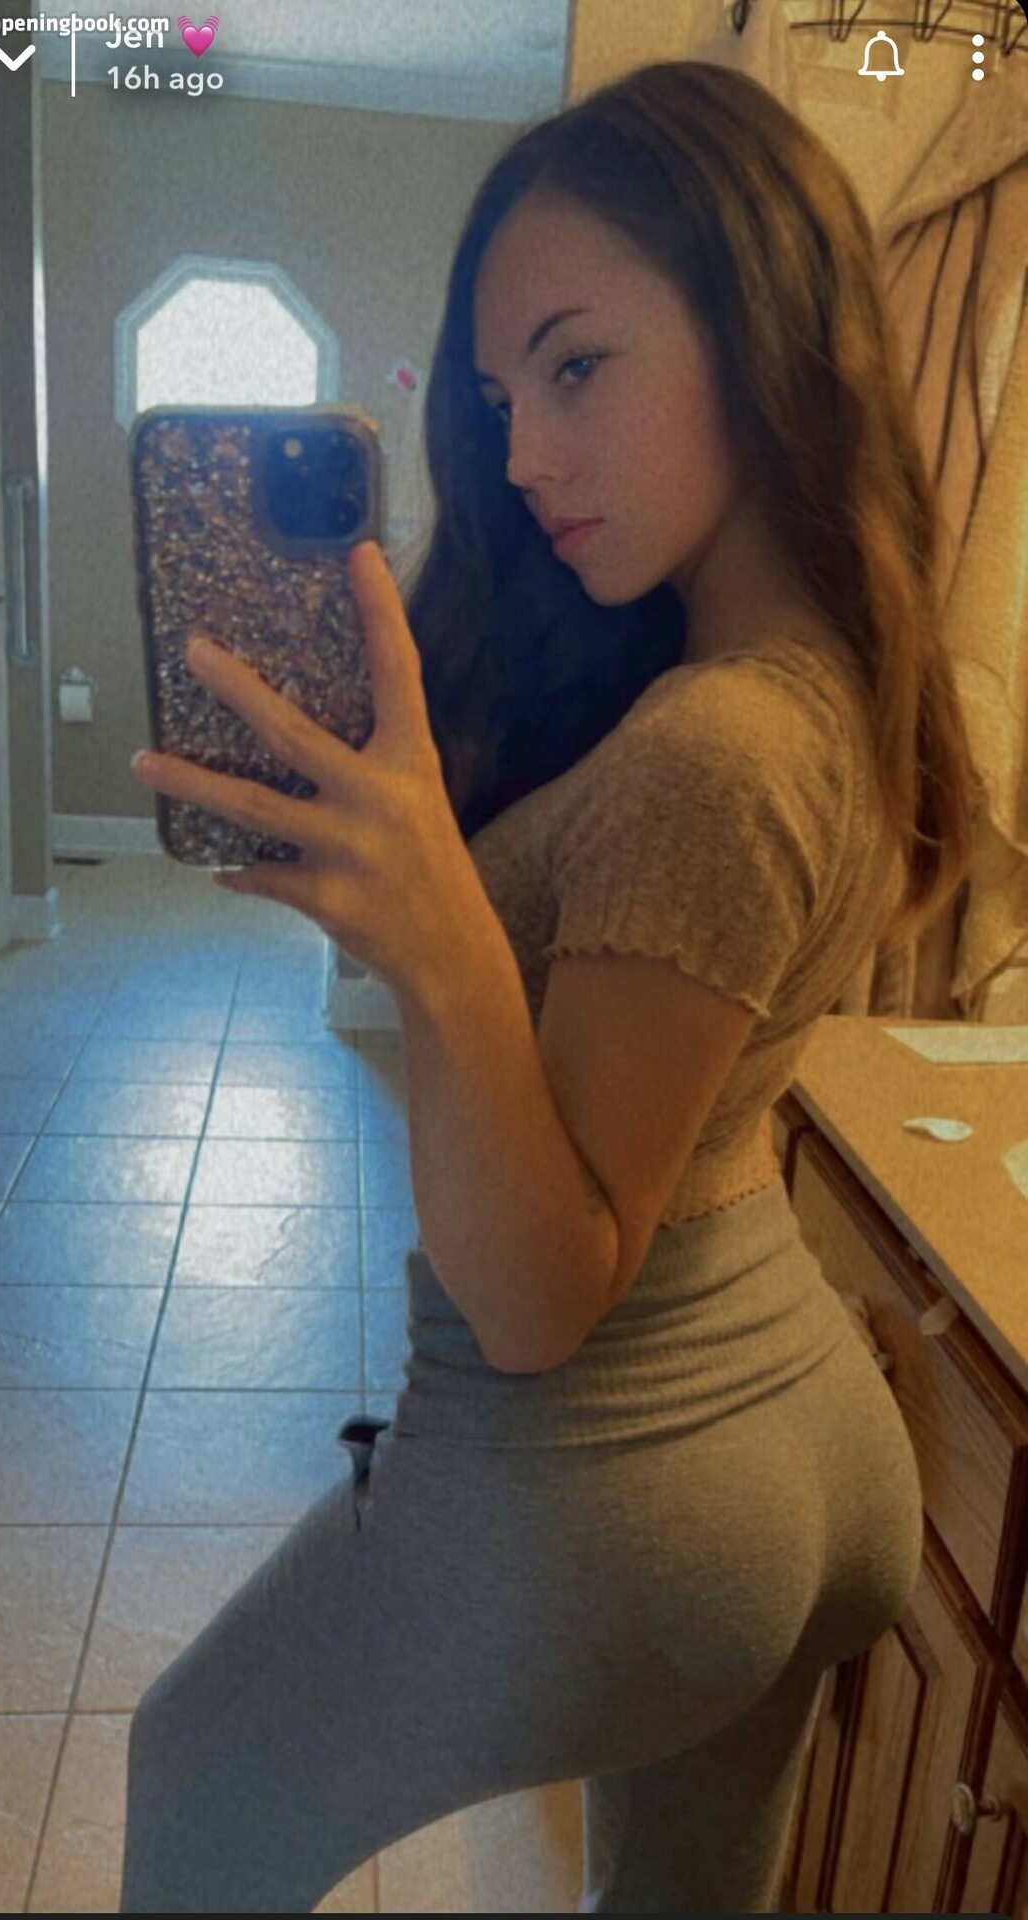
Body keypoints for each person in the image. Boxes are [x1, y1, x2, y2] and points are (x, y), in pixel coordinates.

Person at [119, 60, 980, 1913]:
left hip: (616, 1473)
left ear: (764, 337)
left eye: (577, 367)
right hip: (795, 1424)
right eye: (504, 398)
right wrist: (420, 907)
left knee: (189, 1775)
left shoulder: (715, 751)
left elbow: (538, 1299)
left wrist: (437, 931)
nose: (517, 456)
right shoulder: (821, 685)